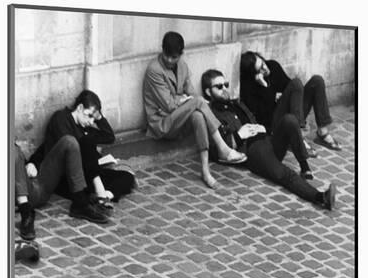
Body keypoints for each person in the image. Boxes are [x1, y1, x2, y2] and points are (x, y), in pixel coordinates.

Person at [201, 69, 336, 210]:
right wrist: (240, 135)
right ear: (208, 92)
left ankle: (304, 166)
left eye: (226, 84)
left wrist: (262, 127)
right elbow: (218, 151)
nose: (224, 89)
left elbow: (256, 118)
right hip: (253, 150)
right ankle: (320, 197)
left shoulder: (236, 104)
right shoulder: (212, 114)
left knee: (290, 120)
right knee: (284, 174)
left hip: (268, 140)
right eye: (219, 86)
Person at [143, 31, 247, 189]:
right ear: (162, 50)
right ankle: (223, 148)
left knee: (198, 115)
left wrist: (188, 99)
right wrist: (187, 100)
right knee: (198, 102)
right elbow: (169, 105)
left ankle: (206, 172)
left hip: (179, 119)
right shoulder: (154, 70)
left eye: (174, 57)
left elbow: (190, 92)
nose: (170, 60)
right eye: (167, 55)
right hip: (162, 123)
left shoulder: (183, 66)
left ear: (180, 54)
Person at [26, 90, 135, 221]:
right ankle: (98, 193)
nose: (90, 121)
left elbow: (109, 137)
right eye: (89, 116)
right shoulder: (61, 118)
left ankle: (105, 196)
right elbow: (65, 148)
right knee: (85, 142)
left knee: (127, 177)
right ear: (80, 107)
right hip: (67, 177)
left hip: (87, 173)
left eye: (93, 119)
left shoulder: (85, 127)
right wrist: (33, 162)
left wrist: (98, 117)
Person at [240, 52, 341, 171]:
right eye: (260, 70)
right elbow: (265, 116)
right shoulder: (249, 87)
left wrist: (281, 97)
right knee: (296, 84)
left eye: (262, 63)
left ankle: (322, 131)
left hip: (292, 111)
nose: (265, 68)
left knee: (316, 81)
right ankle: (298, 137)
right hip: (277, 122)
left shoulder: (273, 65)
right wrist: (265, 86)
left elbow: (292, 88)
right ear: (254, 75)